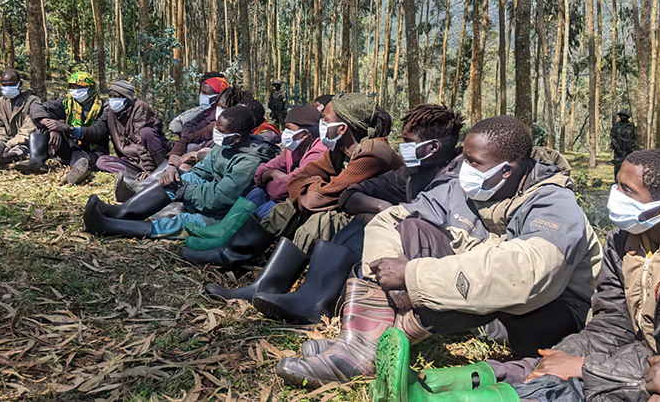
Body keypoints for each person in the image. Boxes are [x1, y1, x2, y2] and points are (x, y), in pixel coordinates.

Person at [274, 115, 603, 387]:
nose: (464, 170)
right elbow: (393, 218)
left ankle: (366, 348)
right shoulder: (463, 185)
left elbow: (522, 278)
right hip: (483, 310)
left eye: (474, 163)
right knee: (412, 229)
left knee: (480, 275)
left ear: (507, 170)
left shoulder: (554, 204)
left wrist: (414, 275)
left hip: (548, 317)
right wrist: (392, 273)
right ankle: (361, 340)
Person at [493, 147, 660, 402]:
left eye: (628, 190)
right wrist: (564, 355)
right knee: (548, 369)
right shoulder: (622, 241)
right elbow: (611, 323)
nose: (615, 194)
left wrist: (585, 367)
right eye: (617, 184)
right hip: (630, 359)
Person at [251, 104, 465, 325]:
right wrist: (384, 209)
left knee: (359, 222)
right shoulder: (411, 173)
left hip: (442, 262)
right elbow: (351, 193)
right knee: (363, 218)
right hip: (406, 244)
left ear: (432, 147)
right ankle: (311, 298)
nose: (402, 147)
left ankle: (320, 301)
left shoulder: (458, 178)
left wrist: (390, 215)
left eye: (409, 142)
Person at [190, 92, 404, 295]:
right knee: (288, 208)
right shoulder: (340, 148)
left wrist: (312, 187)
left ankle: (271, 287)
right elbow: (298, 182)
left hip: (376, 220)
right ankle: (232, 254)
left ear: (342, 128)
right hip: (349, 207)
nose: (321, 125)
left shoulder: (373, 152)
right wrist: (314, 187)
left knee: (318, 222)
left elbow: (315, 198)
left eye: (325, 120)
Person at [82, 105, 278, 238]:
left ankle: (109, 227)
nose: (215, 134)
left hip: (225, 212)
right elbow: (201, 171)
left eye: (221, 131)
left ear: (237, 137)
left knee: (181, 222)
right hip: (213, 195)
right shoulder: (227, 144)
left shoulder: (249, 161)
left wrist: (183, 190)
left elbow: (220, 198)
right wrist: (176, 175)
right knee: (177, 179)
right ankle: (121, 211)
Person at [25, 71, 109, 184]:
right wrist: (52, 127)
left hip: (93, 149)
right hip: (71, 144)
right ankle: (36, 161)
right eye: (72, 86)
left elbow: (97, 132)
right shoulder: (67, 103)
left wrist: (68, 128)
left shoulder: (103, 108)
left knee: (80, 157)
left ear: (91, 88)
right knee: (43, 124)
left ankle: (75, 173)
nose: (76, 90)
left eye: (81, 87)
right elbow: (38, 107)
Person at [246, 104, 327, 218]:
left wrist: (268, 182)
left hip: (304, 206)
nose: (285, 132)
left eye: (289, 128)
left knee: (267, 209)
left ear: (304, 134)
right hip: (284, 197)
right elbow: (261, 171)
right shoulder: (292, 149)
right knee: (257, 193)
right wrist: (272, 173)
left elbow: (286, 188)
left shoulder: (319, 152)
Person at [160, 85, 251, 179]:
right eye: (218, 105)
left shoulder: (246, 140)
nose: (219, 109)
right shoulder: (214, 126)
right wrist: (172, 162)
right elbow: (187, 138)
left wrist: (195, 156)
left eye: (223, 107)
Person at [93, 80, 169, 177]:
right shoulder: (109, 110)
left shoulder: (139, 107)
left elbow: (140, 142)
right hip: (130, 160)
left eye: (116, 96)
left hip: (150, 158)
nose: (112, 99)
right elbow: (97, 128)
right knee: (101, 162)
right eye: (110, 96)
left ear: (126, 97)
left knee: (146, 132)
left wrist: (149, 169)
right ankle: (135, 175)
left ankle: (160, 170)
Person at [0, 69, 42, 168]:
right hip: (0, 144)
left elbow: (28, 129)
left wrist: (9, 145)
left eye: (11, 85)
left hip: (23, 144)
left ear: (20, 84)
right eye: (4, 85)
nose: (8, 88)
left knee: (20, 151)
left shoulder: (32, 102)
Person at [611, 109, 636, 178]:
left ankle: (628, 179)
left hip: (629, 149)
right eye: (621, 116)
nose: (622, 117)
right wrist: (616, 146)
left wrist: (633, 147)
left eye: (624, 116)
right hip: (619, 149)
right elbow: (612, 137)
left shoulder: (631, 126)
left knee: (629, 165)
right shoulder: (616, 126)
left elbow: (635, 137)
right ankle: (617, 179)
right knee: (618, 165)